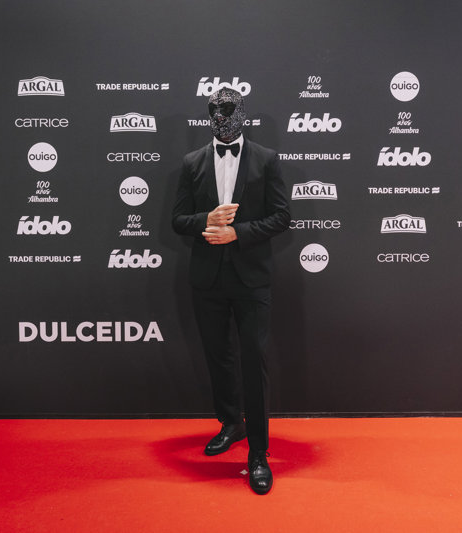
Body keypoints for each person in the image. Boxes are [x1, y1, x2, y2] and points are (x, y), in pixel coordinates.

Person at [171, 87, 290, 495]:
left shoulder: (266, 159)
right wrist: (207, 219)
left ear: (242, 113)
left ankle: (258, 453)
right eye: (213, 110)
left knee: (253, 361)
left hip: (251, 279)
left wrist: (237, 233)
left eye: (227, 109)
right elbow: (178, 220)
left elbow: (282, 217)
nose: (220, 117)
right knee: (218, 358)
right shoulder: (192, 162)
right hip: (207, 280)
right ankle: (231, 424)